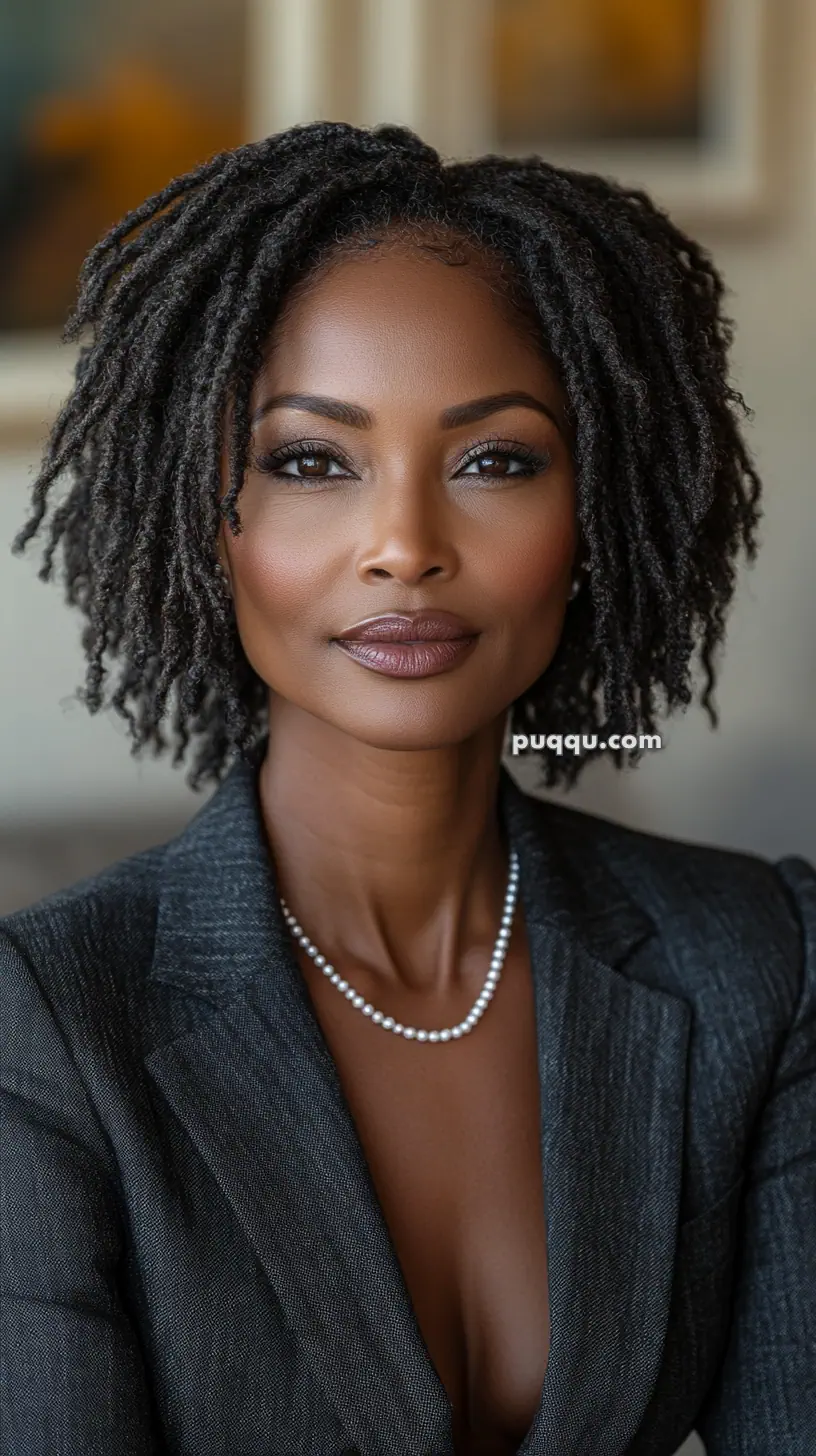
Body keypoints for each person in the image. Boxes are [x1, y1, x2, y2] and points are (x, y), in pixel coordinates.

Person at [1, 120, 813, 1456]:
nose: (405, 547)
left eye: (496, 460)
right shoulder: (51, 1027)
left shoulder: (760, 964)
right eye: (313, 461)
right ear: (210, 523)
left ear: (595, 515)